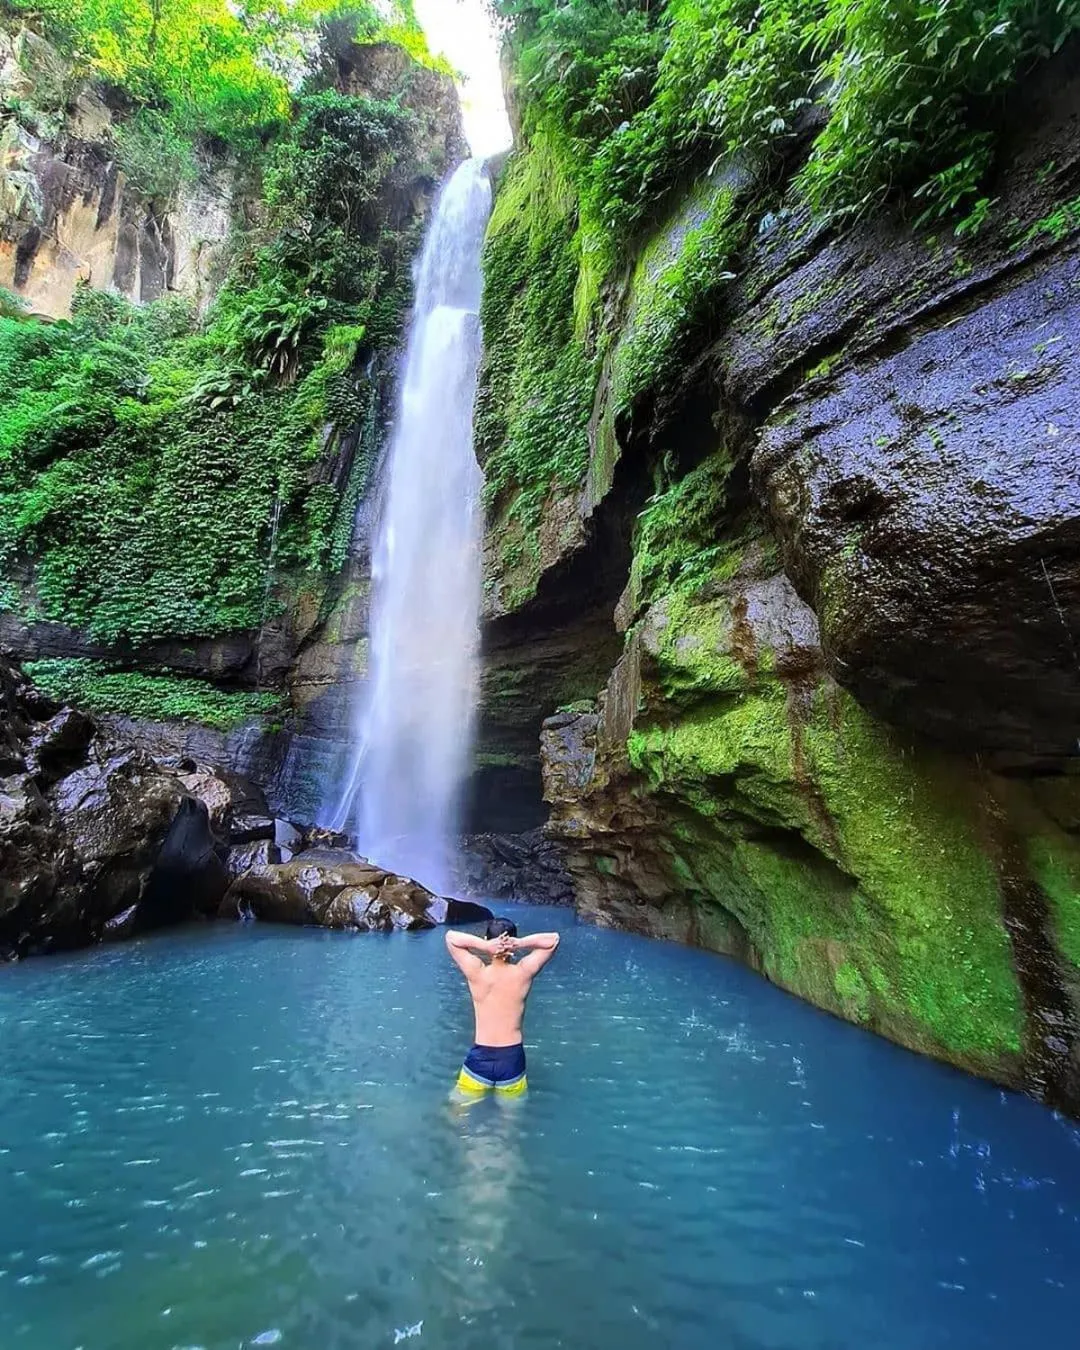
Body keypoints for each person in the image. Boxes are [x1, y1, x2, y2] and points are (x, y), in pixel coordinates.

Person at [445, 917, 560, 1097]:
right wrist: (520, 943)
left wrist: (486, 946)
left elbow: (451, 937)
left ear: (486, 939)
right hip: (512, 1058)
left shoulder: (477, 971)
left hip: (480, 1056)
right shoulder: (523, 972)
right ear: (512, 944)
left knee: (456, 1115)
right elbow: (553, 940)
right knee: (509, 1122)